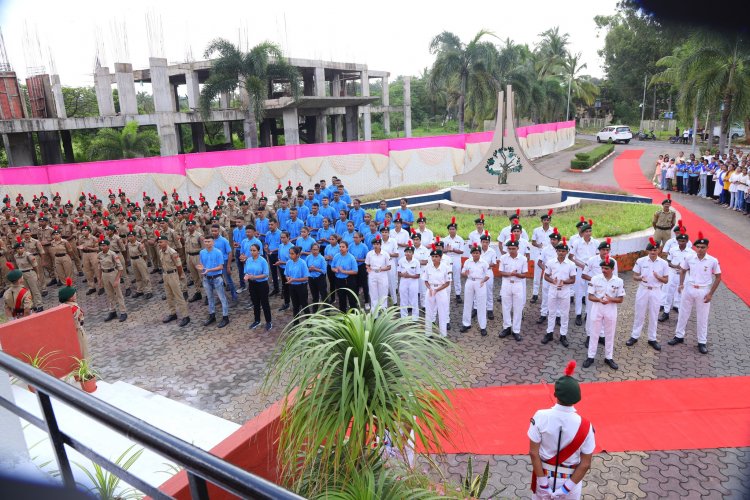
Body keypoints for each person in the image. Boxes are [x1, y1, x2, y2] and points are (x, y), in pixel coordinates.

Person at [528, 361, 595, 500]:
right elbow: (586, 463)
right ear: (577, 398)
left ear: (555, 394)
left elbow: (533, 453)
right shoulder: (586, 426)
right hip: (570, 480)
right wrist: (565, 489)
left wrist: (543, 483)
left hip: (543, 475)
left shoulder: (540, 416)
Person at [668, 232, 721, 354]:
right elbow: (683, 270)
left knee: (702, 317)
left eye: (703, 247)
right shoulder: (689, 258)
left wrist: (711, 293)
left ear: (707, 248)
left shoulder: (712, 260)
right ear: (695, 247)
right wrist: (681, 284)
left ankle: (702, 341)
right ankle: (679, 336)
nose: (700, 249)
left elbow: (718, 277)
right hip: (689, 288)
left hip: (703, 290)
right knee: (683, 313)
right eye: (698, 247)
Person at [626, 238, 669, 350]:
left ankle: (652, 339)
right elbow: (634, 276)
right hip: (643, 289)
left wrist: (659, 277)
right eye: (651, 250)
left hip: (656, 290)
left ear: (658, 250)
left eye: (655, 250)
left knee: (654, 315)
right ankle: (635, 336)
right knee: (639, 314)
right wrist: (640, 278)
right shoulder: (641, 261)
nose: (653, 252)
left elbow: (666, 280)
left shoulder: (664, 263)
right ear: (647, 251)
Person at [582, 256, 625, 369]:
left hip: (611, 309)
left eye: (606, 268)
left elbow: (620, 299)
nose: (604, 270)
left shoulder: (619, 281)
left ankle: (609, 357)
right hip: (597, 308)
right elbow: (590, 296)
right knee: (594, 333)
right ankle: (590, 356)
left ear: (612, 269)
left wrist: (611, 299)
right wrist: (599, 300)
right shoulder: (595, 279)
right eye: (602, 268)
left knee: (609, 334)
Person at [542, 238, 577, 347]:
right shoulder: (551, 262)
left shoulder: (571, 264)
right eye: (559, 251)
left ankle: (563, 335)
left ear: (567, 252)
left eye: (563, 251)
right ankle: (549, 333)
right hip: (552, 289)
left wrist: (564, 282)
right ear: (556, 251)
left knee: (564, 314)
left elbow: (573, 279)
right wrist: (552, 280)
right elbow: (546, 276)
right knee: (551, 312)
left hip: (565, 291)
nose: (561, 253)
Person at [156, 231, 191, 327]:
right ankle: (173, 313)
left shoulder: (172, 252)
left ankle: (185, 316)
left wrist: (179, 276)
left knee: (178, 296)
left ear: (166, 242)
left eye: (161, 242)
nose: (160, 244)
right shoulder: (160, 251)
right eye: (159, 242)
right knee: (169, 295)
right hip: (166, 275)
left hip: (173, 275)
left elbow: (179, 266)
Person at [568, 222, 599, 327]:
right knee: (579, 292)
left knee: (589, 292)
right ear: (582, 232)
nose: (588, 233)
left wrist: (591, 267)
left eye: (590, 231)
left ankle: (587, 313)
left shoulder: (596, 242)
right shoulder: (577, 242)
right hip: (580, 270)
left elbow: (598, 257)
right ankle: (578, 314)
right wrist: (582, 265)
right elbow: (571, 257)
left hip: (592, 271)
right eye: (586, 231)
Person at [498, 235, 528, 341]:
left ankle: (516, 330)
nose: (511, 250)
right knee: (506, 307)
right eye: (509, 248)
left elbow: (525, 274)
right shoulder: (503, 258)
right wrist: (510, 273)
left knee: (517, 308)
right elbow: (500, 272)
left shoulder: (523, 259)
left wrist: (516, 275)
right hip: (506, 284)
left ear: (518, 248)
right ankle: (507, 327)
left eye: (513, 248)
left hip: (518, 284)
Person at [198, 234, 230, 328]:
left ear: (213, 242)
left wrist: (209, 270)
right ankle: (212, 316)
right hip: (206, 278)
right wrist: (201, 268)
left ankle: (225, 317)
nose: (207, 243)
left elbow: (220, 266)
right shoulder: (202, 252)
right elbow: (201, 264)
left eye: (209, 241)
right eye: (205, 241)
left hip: (216, 278)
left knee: (222, 298)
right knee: (210, 298)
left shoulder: (218, 252)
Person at [459, 244, 490, 336]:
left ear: (480, 253)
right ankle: (466, 324)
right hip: (469, 281)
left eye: (477, 253)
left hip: (480, 282)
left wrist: (483, 281)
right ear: (471, 253)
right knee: (467, 303)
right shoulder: (468, 261)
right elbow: (462, 272)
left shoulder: (484, 263)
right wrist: (465, 273)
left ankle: (483, 326)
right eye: (474, 253)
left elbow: (488, 275)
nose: (475, 254)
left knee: (481, 304)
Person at [423, 246, 451, 338]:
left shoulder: (446, 267)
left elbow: (447, 283)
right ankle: (428, 334)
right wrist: (430, 288)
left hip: (441, 291)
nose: (434, 258)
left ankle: (443, 335)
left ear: (440, 257)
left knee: (442, 313)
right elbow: (426, 280)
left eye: (436, 257)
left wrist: (437, 290)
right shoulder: (428, 267)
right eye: (433, 257)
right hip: (430, 290)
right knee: (429, 312)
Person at [97, 237, 127, 322]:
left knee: (118, 294)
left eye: (104, 245)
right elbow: (99, 267)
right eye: (101, 246)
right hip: (104, 274)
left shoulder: (113, 254)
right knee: (109, 294)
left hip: (113, 273)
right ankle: (113, 311)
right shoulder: (99, 255)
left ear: (108, 246)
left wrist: (117, 280)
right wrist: (99, 279)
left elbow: (120, 268)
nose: (102, 247)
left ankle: (123, 312)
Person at [243, 242, 272, 331]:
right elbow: (246, 271)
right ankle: (257, 320)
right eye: (251, 250)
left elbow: (266, 274)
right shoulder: (248, 260)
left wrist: (254, 277)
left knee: (264, 303)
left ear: (259, 251)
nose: (252, 252)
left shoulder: (262, 260)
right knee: (255, 303)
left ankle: (268, 322)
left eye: (254, 250)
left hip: (262, 284)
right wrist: (246, 276)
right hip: (252, 284)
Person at [536, 229, 562, 326]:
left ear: (558, 240)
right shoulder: (545, 249)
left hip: (558, 277)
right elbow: (539, 262)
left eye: (554, 240)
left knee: (558, 296)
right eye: (551, 239)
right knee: (545, 295)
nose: (552, 241)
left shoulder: (562, 250)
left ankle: (558, 316)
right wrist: (547, 270)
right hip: (547, 276)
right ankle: (543, 314)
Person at [58, 277, 89, 359]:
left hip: (67, 333)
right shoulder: (75, 308)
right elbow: (81, 320)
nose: (76, 295)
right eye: (74, 294)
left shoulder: (61, 307)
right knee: (83, 352)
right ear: (71, 297)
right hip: (77, 331)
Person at [13, 238, 43, 312]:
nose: (20, 250)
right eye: (18, 248)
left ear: (24, 248)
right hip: (22, 274)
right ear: (16, 250)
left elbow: (35, 265)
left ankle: (39, 305)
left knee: (35, 289)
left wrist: (37, 274)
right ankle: (33, 305)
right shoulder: (16, 256)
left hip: (30, 273)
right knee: (27, 291)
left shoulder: (28, 255)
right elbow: (17, 266)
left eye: (21, 248)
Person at [531, 210, 554, 304]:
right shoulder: (536, 230)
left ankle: (550, 294)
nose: (546, 221)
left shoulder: (553, 230)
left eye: (548, 220)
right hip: (539, 254)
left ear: (550, 221)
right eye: (544, 220)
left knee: (550, 273)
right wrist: (539, 245)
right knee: (537, 275)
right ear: (542, 221)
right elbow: (533, 242)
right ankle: (535, 294)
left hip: (550, 255)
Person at [365, 236, 391, 314]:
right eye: (374, 244)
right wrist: (368, 269)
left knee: (383, 294)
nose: (376, 245)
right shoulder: (369, 254)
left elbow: (389, 267)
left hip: (382, 274)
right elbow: (367, 264)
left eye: (377, 244)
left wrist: (381, 269)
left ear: (380, 244)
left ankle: (383, 312)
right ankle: (374, 313)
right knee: (373, 294)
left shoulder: (385, 254)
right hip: (372, 274)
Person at [331, 240, 359, 312]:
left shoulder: (351, 257)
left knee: (351, 299)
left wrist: (344, 271)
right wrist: (335, 270)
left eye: (343, 247)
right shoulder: (336, 256)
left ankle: (354, 316)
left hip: (349, 280)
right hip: (339, 280)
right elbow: (332, 267)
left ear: (347, 248)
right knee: (341, 299)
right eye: (340, 247)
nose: (341, 248)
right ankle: (343, 315)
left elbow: (355, 271)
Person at [284, 246, 309, 320]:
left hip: (301, 287)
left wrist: (294, 280)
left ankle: (309, 323)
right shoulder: (288, 262)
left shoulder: (302, 263)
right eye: (290, 253)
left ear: (298, 254)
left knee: (304, 305)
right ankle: (296, 323)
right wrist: (287, 278)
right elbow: (286, 274)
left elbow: (306, 277)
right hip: (292, 287)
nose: (290, 255)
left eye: (292, 254)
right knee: (295, 306)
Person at [443, 217, 465, 303]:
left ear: (456, 230)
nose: (452, 230)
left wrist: (453, 250)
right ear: (448, 230)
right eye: (450, 229)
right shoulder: (445, 239)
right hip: (447, 259)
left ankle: (458, 294)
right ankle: (445, 293)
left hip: (456, 259)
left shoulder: (460, 239)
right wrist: (447, 250)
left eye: (453, 229)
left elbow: (462, 251)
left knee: (456, 277)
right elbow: (442, 250)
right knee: (447, 276)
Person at [305, 243, 328, 312]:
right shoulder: (308, 257)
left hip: (320, 278)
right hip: (311, 279)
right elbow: (305, 269)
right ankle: (315, 312)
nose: (315, 251)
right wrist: (309, 269)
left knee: (324, 295)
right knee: (314, 296)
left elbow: (324, 271)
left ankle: (327, 311)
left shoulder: (322, 258)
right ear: (311, 250)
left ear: (319, 250)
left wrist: (315, 269)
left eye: (316, 249)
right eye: (313, 249)